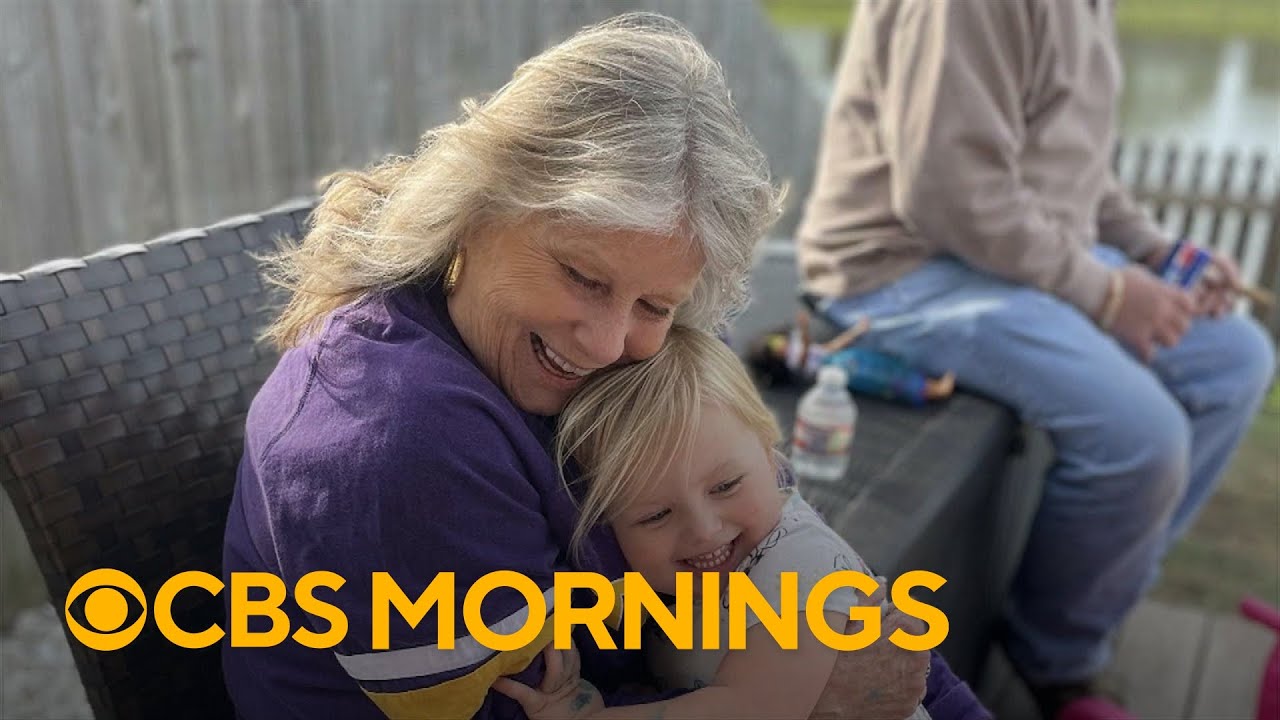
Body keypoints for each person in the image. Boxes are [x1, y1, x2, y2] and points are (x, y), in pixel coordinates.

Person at [222, 13, 961, 720]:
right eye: (583, 276)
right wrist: (785, 697)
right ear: (479, 209)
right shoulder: (395, 438)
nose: (610, 346)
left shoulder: (662, 351)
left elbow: (815, 568)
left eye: (656, 304)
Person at [796, 1, 1277, 718]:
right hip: (902, 272)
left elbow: (1070, 167)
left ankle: (1099, 589)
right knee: (1143, 435)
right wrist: (1109, 293)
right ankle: (1055, 663)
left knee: (1234, 358)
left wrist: (1156, 252)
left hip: (1011, 259)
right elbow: (945, 188)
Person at [493, 326, 954, 719]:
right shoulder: (669, 589)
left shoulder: (799, 563)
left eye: (726, 486)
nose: (704, 529)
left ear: (770, 454)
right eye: (656, 515)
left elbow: (749, 708)